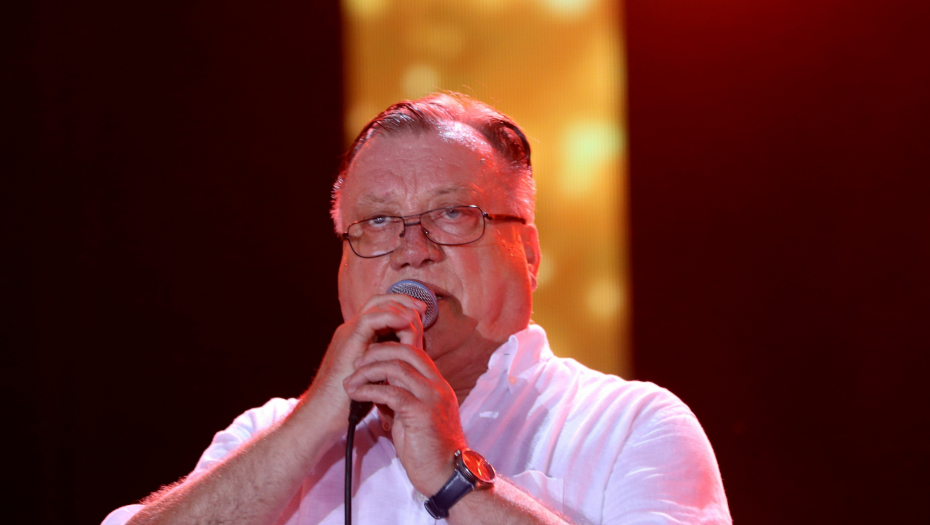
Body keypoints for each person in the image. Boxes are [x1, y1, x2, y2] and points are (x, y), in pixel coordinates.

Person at [102, 93, 731, 525]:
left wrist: (455, 480)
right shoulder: (269, 434)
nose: (412, 250)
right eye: (378, 221)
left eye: (452, 213)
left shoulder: (631, 426)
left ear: (529, 254)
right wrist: (308, 428)